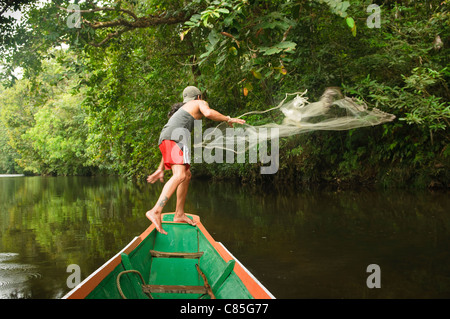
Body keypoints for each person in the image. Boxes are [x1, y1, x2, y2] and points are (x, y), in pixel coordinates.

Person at [146, 86, 245, 234]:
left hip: (169, 139)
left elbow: (167, 141)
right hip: (175, 139)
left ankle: (179, 214)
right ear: (199, 97)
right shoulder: (199, 103)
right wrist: (228, 118)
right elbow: (208, 113)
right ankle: (155, 211)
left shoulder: (183, 111)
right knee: (179, 175)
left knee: (186, 175)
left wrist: (160, 168)